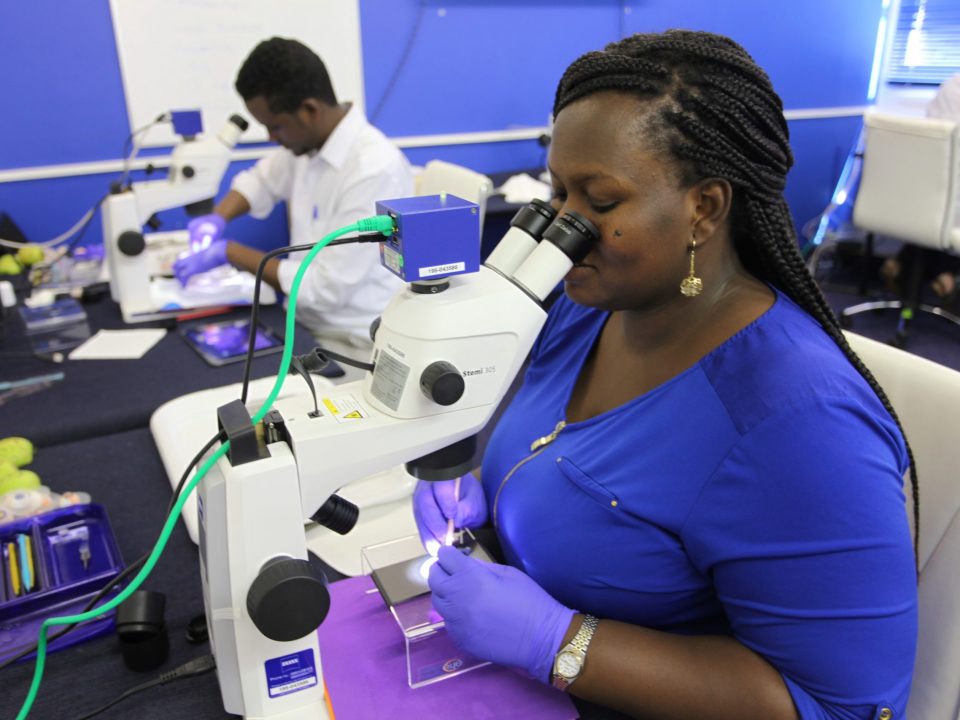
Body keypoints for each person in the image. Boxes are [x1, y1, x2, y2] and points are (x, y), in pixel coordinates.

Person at [413, 30, 918, 719]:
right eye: (558, 192)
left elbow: (842, 707)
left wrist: (559, 642)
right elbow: (562, 452)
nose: (563, 228)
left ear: (703, 208)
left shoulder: (800, 421)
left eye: (600, 201)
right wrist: (481, 497)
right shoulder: (588, 308)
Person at [172, 38, 414, 377]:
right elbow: (260, 181)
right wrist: (217, 218)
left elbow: (325, 290)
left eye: (275, 126)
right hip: (302, 322)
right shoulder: (307, 146)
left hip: (352, 344)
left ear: (309, 110)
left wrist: (230, 252)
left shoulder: (373, 169)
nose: (271, 137)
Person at [880, 71, 960, 302]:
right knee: (944, 220)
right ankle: (944, 274)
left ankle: (904, 264)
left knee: (933, 218)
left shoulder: (952, 84)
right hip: (945, 200)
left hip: (924, 193)